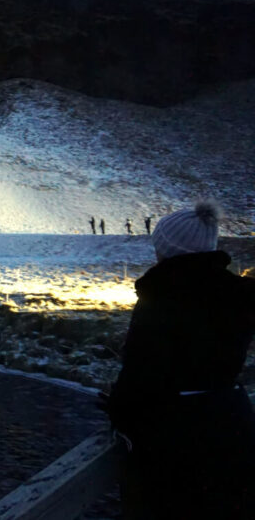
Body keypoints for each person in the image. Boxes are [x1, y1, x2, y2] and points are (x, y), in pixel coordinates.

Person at [105, 202, 255, 518]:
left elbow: (140, 376)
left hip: (178, 438)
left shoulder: (161, 300)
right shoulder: (239, 294)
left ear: (170, 252)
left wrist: (118, 410)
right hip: (234, 421)